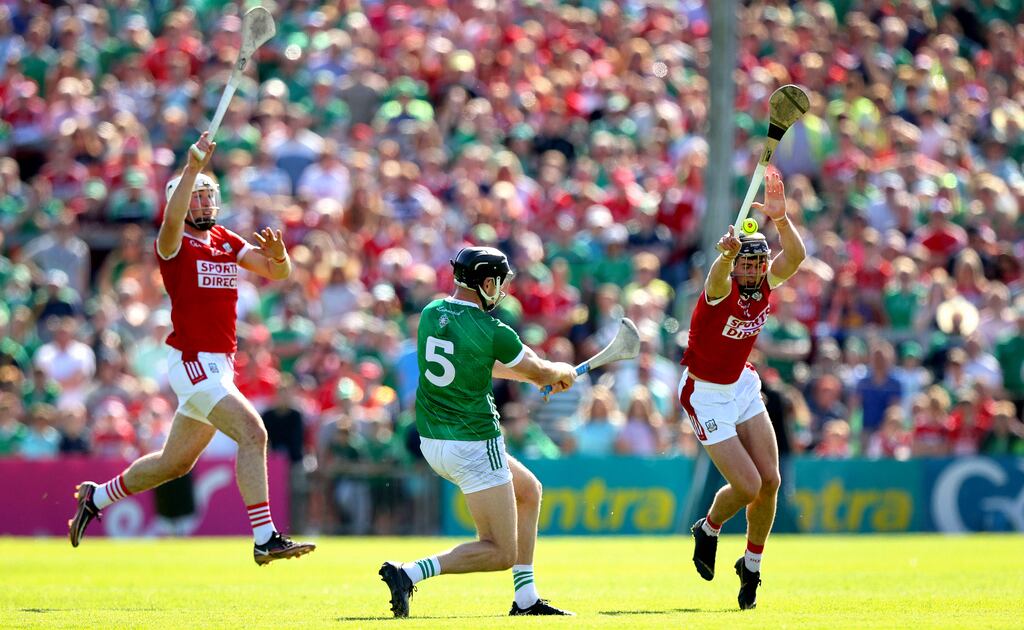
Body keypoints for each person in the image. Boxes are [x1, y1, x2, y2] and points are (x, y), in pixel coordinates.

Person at [68, 132, 315, 565]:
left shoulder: (224, 237)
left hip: (221, 366)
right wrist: (192, 169)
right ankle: (265, 538)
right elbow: (171, 218)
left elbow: (276, 273)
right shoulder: (173, 244)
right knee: (253, 433)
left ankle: (98, 496)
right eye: (197, 198)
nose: (204, 205)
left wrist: (280, 256)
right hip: (193, 364)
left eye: (208, 197)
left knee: (173, 463)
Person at [379, 246, 577, 618]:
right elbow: (538, 369)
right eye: (498, 283)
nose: (501, 291)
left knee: (529, 491)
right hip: (472, 442)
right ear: (486, 282)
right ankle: (409, 573)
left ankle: (526, 598)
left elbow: (476, 362)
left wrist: (537, 376)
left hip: (433, 441)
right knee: (499, 551)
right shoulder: (493, 329)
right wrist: (556, 371)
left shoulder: (431, 313)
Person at [679, 166, 805, 610]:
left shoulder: (766, 283)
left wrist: (781, 218)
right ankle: (708, 528)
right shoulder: (719, 288)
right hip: (704, 392)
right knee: (748, 486)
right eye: (746, 265)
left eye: (757, 263)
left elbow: (796, 258)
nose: (753, 272)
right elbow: (716, 278)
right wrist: (725, 255)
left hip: (742, 385)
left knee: (770, 480)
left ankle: (751, 567)